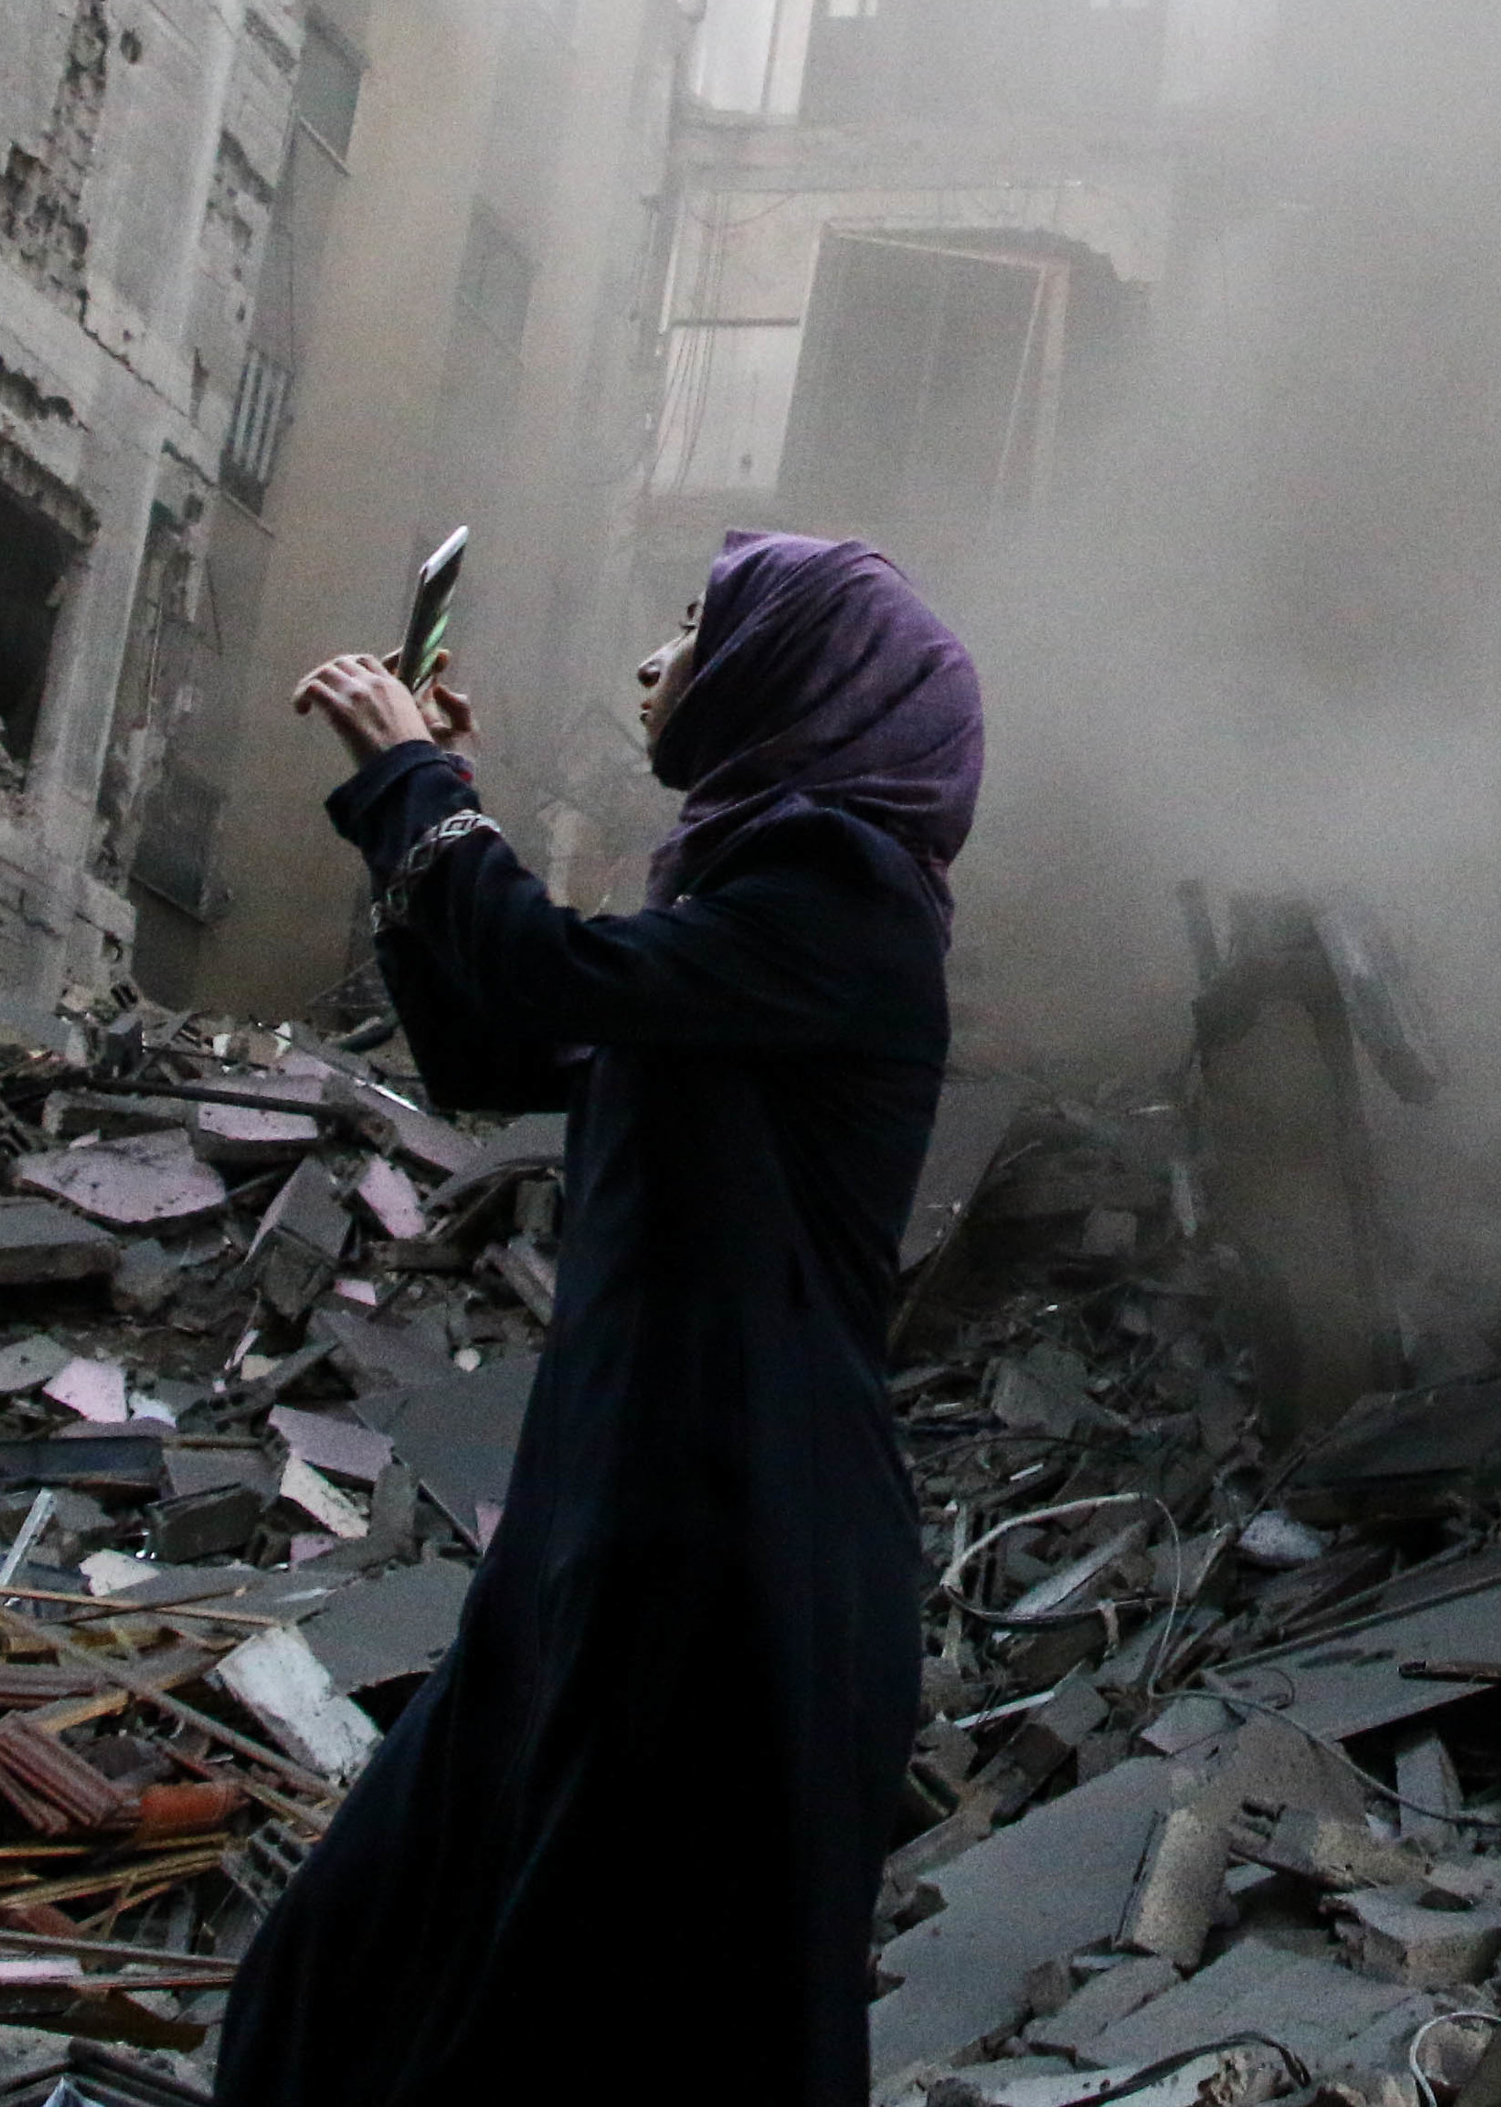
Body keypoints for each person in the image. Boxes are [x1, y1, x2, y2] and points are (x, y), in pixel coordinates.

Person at [212, 531, 981, 2107]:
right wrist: (429, 824)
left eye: (697, 626)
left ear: (797, 676)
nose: (653, 658)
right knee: (363, 1950)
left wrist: (422, 790)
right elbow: (500, 1040)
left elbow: (542, 968)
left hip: (736, 1535)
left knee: (608, 2017)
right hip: (624, 1508)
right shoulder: (745, 903)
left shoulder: (845, 895)